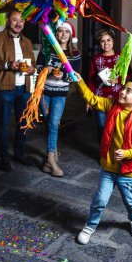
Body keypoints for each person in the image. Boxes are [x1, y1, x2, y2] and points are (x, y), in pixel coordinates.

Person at [74, 74, 132, 244]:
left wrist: (126, 153)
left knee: (130, 201)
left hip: (128, 171)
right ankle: (90, 225)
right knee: (100, 200)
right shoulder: (111, 105)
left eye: (128, 91)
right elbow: (93, 99)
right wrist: (80, 81)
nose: (123, 92)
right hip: (108, 167)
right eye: (124, 88)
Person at [0, 10, 36, 172]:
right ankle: (4, 157)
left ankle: (19, 154)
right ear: (7, 20)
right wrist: (7, 64)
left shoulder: (27, 42)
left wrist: (32, 70)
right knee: (3, 124)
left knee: (23, 123)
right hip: (5, 88)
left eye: (21, 20)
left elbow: (32, 64)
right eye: (14, 20)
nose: (18, 23)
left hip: (24, 88)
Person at [37, 21, 81, 177]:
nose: (63, 34)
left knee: (54, 124)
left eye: (66, 32)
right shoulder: (47, 50)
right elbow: (37, 68)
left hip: (60, 93)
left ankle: (50, 160)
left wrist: (64, 75)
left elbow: (75, 77)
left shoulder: (74, 54)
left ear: (70, 35)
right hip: (44, 92)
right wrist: (46, 70)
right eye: (60, 31)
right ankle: (52, 155)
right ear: (56, 34)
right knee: (50, 123)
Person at [88, 28, 132, 141]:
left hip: (118, 98)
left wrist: (118, 80)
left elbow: (129, 76)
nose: (106, 43)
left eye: (108, 40)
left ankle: (116, 154)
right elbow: (91, 80)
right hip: (100, 98)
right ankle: (104, 154)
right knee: (102, 127)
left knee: (118, 127)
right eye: (103, 41)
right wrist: (88, 100)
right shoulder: (96, 59)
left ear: (113, 41)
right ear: (99, 43)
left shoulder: (121, 57)